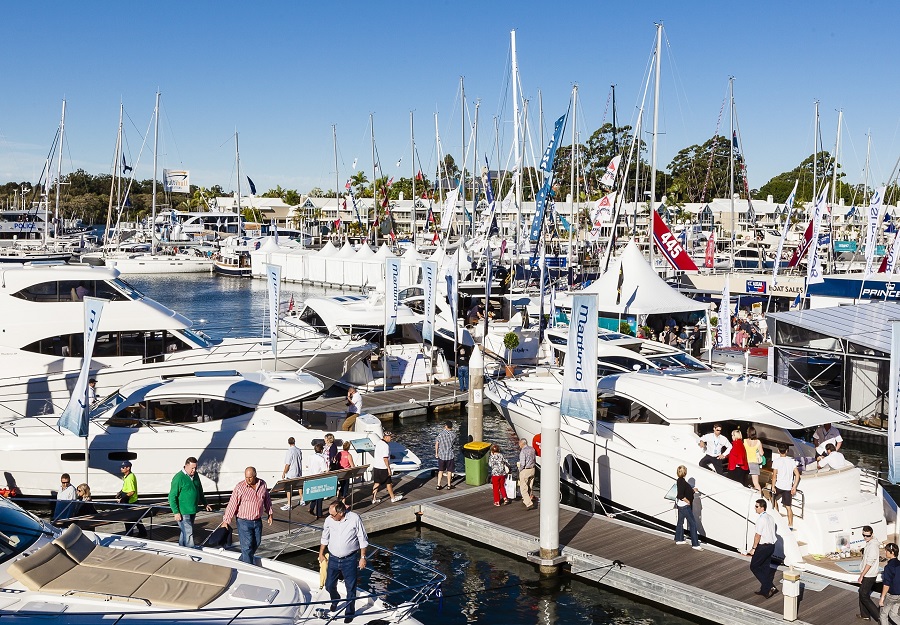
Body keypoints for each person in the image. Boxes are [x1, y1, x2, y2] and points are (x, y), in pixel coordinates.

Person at [318, 500, 368, 623]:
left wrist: (362, 557)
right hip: (333, 558)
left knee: (350, 588)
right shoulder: (329, 520)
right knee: (329, 585)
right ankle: (335, 599)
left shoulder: (354, 518)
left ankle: (349, 613)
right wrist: (321, 553)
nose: (330, 516)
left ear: (341, 512)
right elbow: (325, 536)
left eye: (333, 515)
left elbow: (362, 538)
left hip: (349, 559)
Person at [220, 467, 274, 564]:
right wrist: (226, 521)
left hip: (257, 520)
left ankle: (241, 561)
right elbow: (232, 504)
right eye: (246, 477)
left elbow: (267, 499)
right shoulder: (240, 487)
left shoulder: (262, 484)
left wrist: (270, 513)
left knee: (257, 542)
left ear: (255, 475)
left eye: (250, 477)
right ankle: (249, 568)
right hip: (243, 521)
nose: (247, 480)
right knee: (247, 546)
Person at [168, 456, 212, 548]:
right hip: (183, 511)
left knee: (185, 532)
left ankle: (181, 548)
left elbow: (200, 490)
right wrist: (176, 512)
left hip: (192, 509)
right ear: (186, 466)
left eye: (195, 468)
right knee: (188, 532)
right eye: (192, 468)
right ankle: (191, 551)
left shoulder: (196, 476)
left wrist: (205, 503)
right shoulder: (179, 478)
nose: (194, 470)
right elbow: (172, 496)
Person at [748, 498, 778, 599]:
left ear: (762, 508)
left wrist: (753, 548)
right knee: (765, 567)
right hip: (771, 546)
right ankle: (765, 590)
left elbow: (758, 535)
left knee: (754, 566)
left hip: (763, 546)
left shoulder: (761, 519)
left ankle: (770, 586)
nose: (755, 508)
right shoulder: (770, 517)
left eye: (757, 506)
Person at [771, 443, 800, 530]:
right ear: (787, 451)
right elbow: (797, 475)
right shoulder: (791, 461)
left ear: (778, 451)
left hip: (779, 485)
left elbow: (774, 476)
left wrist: (773, 486)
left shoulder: (776, 461)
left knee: (772, 498)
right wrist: (794, 487)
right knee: (788, 507)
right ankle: (790, 525)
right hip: (788, 487)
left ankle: (777, 516)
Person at [673, 465, 701, 550]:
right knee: (693, 524)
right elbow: (680, 495)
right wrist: (687, 501)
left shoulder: (679, 480)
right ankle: (695, 544)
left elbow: (684, 491)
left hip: (680, 505)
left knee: (680, 522)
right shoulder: (682, 482)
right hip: (684, 506)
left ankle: (679, 539)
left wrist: (693, 490)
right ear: (685, 472)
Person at [372, 432, 403, 504]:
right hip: (383, 467)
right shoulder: (385, 446)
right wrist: (388, 468)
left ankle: (374, 499)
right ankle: (393, 498)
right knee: (388, 483)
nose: (391, 438)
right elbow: (385, 458)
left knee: (376, 483)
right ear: (386, 437)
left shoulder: (379, 442)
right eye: (390, 437)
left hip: (377, 466)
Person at [119, 461, 147, 537]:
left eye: (123, 467)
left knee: (128, 520)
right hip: (130, 501)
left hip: (130, 502)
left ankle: (129, 535)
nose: (121, 469)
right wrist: (120, 492)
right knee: (136, 519)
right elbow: (126, 488)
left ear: (128, 468)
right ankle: (143, 532)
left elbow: (132, 491)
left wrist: (122, 499)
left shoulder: (130, 477)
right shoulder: (127, 476)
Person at [859, 524, 881, 621]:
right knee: (862, 593)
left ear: (872, 534)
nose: (865, 537)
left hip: (869, 575)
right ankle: (865, 615)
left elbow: (869, 562)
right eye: (863, 535)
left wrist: (862, 575)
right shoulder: (870, 543)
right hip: (868, 574)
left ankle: (879, 617)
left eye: (867, 535)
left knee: (864, 595)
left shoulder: (873, 546)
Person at [879, 542, 900, 625]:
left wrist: (882, 598)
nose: (885, 552)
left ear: (892, 553)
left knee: (883, 615)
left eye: (887, 551)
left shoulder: (889, 567)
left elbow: (886, 584)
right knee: (893, 614)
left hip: (891, 595)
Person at [307, 443, 329, 519]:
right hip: (318, 478)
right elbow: (325, 470)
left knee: (314, 494)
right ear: (322, 450)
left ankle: (311, 507)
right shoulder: (321, 459)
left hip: (311, 477)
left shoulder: (310, 457)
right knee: (320, 497)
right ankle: (319, 513)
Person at [281, 437, 303, 511]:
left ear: (288, 442)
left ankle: (289, 504)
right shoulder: (299, 450)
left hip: (291, 473)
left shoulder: (290, 451)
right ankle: (302, 499)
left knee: (288, 488)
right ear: (294, 442)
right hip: (298, 471)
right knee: (299, 486)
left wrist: (284, 472)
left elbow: (288, 464)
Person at [434, 421, 456, 491]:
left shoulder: (440, 434)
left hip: (442, 455)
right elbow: (453, 444)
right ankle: (449, 485)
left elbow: (437, 444)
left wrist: (436, 453)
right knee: (449, 471)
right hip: (450, 455)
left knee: (440, 470)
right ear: (451, 427)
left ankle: (438, 485)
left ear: (446, 426)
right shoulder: (454, 435)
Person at [518, 438, 536, 510]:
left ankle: (528, 503)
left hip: (526, 470)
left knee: (523, 488)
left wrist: (520, 470)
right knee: (530, 486)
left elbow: (522, 463)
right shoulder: (532, 449)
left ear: (522, 443)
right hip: (532, 469)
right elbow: (534, 459)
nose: (519, 445)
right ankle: (529, 497)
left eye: (519, 444)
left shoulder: (523, 451)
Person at [336, 440, 356, 507]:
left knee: (342, 485)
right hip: (346, 473)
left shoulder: (339, 453)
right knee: (345, 487)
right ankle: (343, 502)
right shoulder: (348, 455)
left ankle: (338, 499)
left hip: (340, 472)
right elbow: (352, 465)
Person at [744, 426, 763, 491]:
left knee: (745, 482)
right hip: (754, 463)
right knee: (756, 483)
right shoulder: (758, 442)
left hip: (746, 463)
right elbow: (761, 453)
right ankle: (760, 497)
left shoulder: (745, 441)